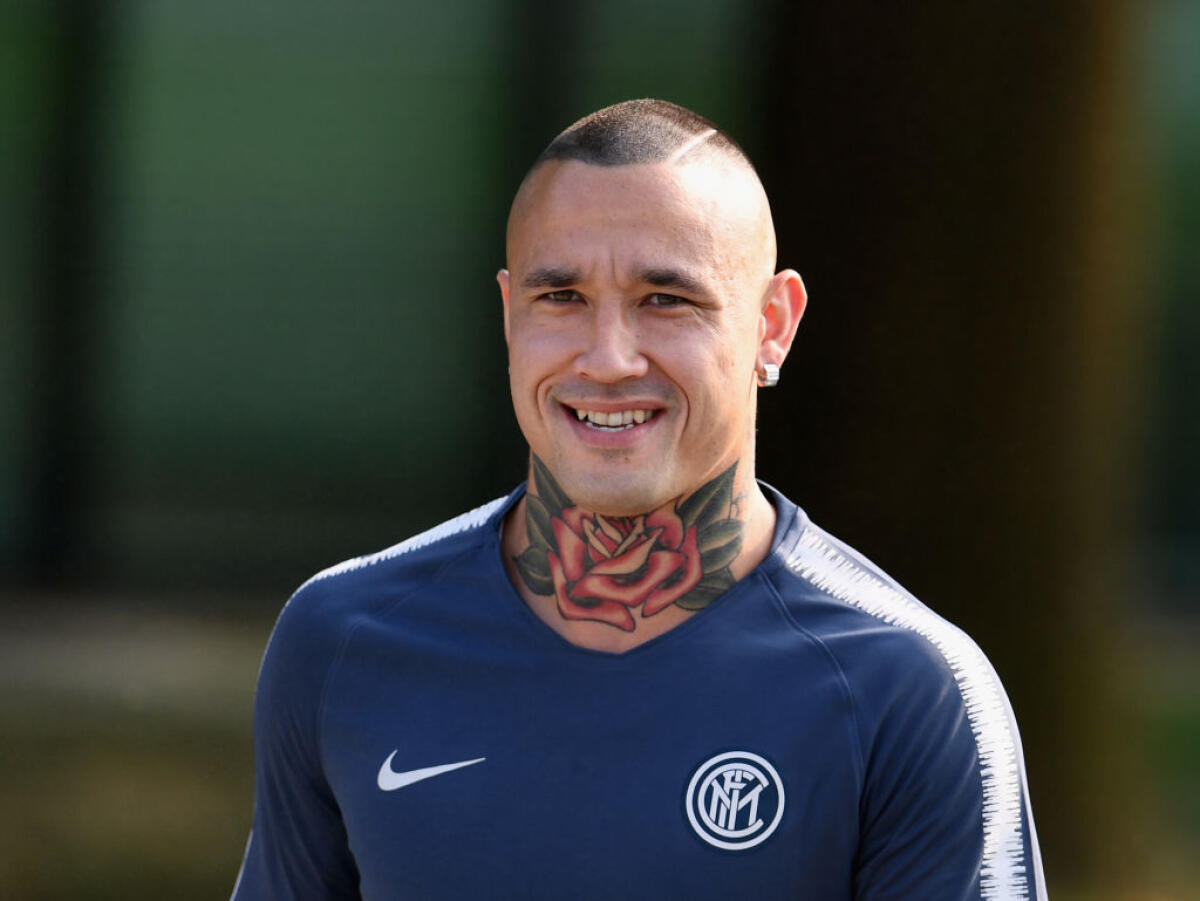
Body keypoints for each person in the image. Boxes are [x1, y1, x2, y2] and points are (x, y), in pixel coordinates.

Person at [232, 99, 1046, 900]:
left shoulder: (910, 687)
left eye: (667, 299)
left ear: (773, 326)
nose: (610, 357)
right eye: (562, 298)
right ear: (510, 317)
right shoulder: (344, 639)